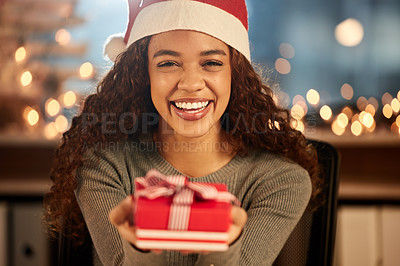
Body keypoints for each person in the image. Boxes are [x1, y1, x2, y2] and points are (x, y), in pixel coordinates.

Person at [44, 0, 321, 265]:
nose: (190, 84)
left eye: (211, 63)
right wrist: (142, 246)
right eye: (168, 63)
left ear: (235, 74)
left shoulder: (282, 182)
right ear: (144, 74)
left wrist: (221, 248)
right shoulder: (103, 167)